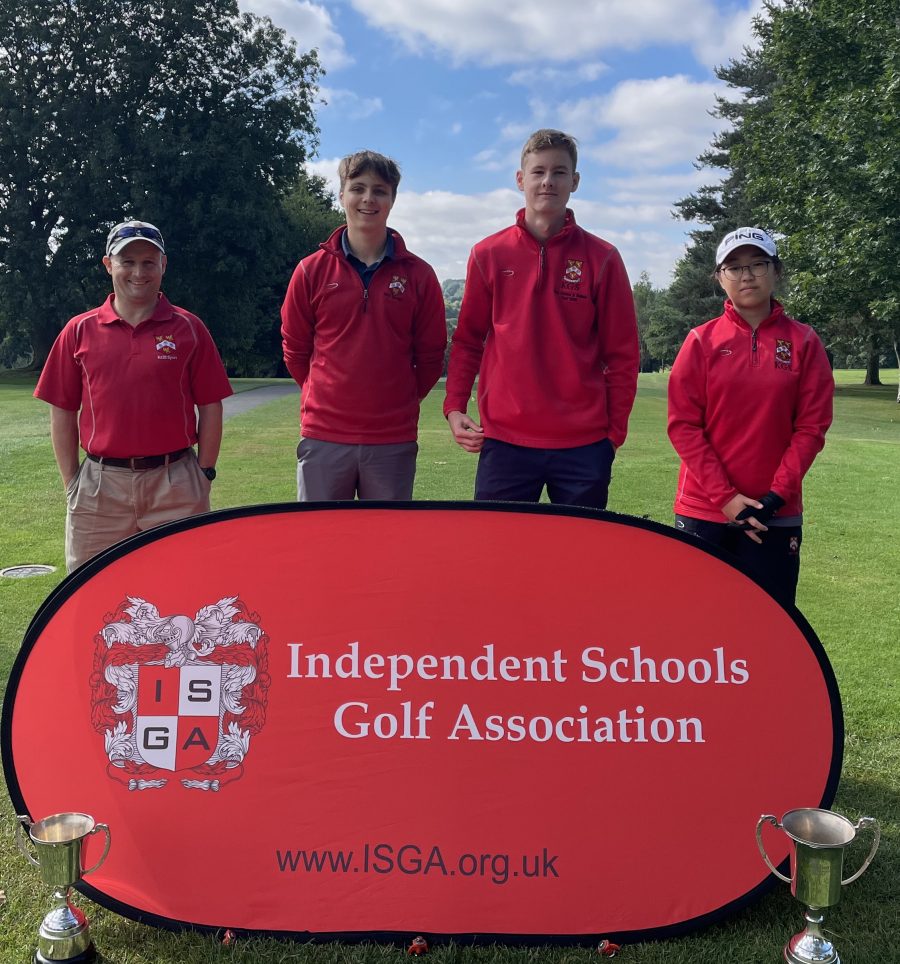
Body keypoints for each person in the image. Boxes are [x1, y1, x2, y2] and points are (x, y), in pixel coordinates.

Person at [444, 129, 639, 509]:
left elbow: (622, 355)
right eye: (538, 172)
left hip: (583, 444)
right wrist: (454, 407)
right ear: (521, 179)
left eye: (559, 172)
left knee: (579, 548)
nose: (548, 181)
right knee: (499, 546)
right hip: (505, 441)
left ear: (575, 181)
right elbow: (468, 340)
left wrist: (613, 434)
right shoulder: (488, 253)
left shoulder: (603, 258)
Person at [35, 220, 233, 573]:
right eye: (127, 262)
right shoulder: (79, 331)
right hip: (100, 487)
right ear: (108, 265)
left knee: (184, 587)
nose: (138, 272)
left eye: (148, 262)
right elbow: (62, 411)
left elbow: (210, 406)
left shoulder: (189, 328)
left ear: (163, 265)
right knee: (92, 589)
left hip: (175, 483)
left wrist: (204, 473)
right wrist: (72, 482)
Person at [667, 227, 834, 607]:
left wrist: (773, 499)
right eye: (734, 267)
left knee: (771, 625)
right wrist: (726, 498)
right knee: (697, 624)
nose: (747, 276)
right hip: (704, 510)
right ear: (719, 277)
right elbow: (683, 426)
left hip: (776, 513)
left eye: (758, 264)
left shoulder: (805, 342)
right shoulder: (701, 341)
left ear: (776, 271)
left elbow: (811, 429)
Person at [281, 150, 447, 501]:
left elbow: (431, 358)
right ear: (342, 195)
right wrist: (326, 393)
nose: (368, 198)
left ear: (392, 200)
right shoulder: (310, 270)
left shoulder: (419, 275)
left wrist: (395, 399)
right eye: (358, 188)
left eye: (379, 190)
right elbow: (295, 350)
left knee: (387, 536)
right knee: (320, 534)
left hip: (392, 438)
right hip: (324, 435)